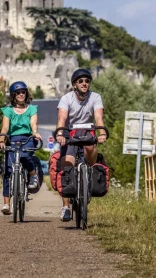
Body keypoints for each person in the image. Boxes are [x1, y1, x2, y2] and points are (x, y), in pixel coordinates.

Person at [55, 68, 107, 221]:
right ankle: (65, 207)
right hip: (69, 133)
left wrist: (102, 133)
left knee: (92, 150)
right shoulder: (66, 98)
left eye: (87, 81)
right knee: (67, 166)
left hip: (87, 132)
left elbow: (98, 117)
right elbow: (62, 118)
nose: (84, 84)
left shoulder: (95, 97)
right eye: (81, 81)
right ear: (74, 85)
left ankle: (89, 179)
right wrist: (59, 134)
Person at [0, 81, 42, 215]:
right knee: (8, 170)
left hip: (28, 139)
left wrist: (35, 132)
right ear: (13, 95)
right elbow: (5, 127)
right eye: (18, 93)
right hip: (12, 140)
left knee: (24, 156)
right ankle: (6, 204)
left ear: (26, 94)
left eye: (23, 92)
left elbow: (33, 123)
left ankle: (33, 175)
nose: (21, 95)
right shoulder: (8, 111)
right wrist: (1, 140)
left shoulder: (32, 109)